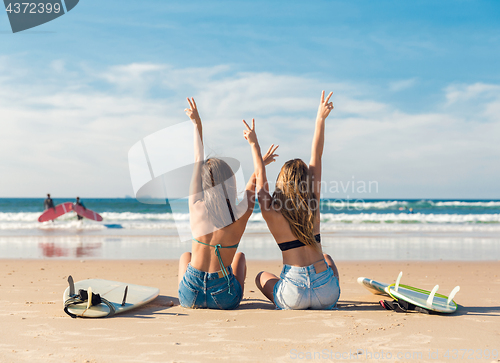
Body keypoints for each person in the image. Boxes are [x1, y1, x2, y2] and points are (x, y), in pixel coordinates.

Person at [178, 97, 278, 310]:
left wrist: (197, 124)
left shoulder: (195, 204)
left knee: (185, 256)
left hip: (190, 294)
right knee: (239, 258)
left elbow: (197, 159)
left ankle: (186, 295)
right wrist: (256, 152)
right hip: (223, 297)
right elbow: (256, 187)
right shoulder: (239, 215)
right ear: (231, 184)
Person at [243, 90, 340, 310]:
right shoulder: (312, 204)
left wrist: (254, 145)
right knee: (328, 259)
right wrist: (320, 119)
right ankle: (328, 296)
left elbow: (261, 178)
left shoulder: (272, 212)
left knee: (261, 277)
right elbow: (317, 154)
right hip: (326, 292)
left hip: (293, 293)